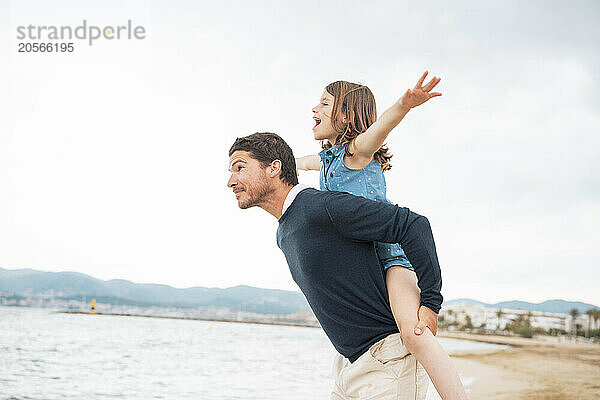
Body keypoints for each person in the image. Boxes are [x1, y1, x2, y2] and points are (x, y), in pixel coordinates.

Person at [227, 132, 467, 399]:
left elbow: (413, 225)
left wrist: (431, 303)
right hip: (346, 367)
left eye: (240, 168)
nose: (230, 181)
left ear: (274, 168)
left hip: (386, 364)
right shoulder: (284, 232)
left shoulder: (320, 207)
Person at [294, 72, 464, 395]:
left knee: (414, 335)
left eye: (324, 102)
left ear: (346, 115)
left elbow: (382, 125)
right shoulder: (326, 158)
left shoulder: (358, 150)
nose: (314, 107)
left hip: (391, 256)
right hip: (363, 264)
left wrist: (406, 103)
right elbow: (296, 162)